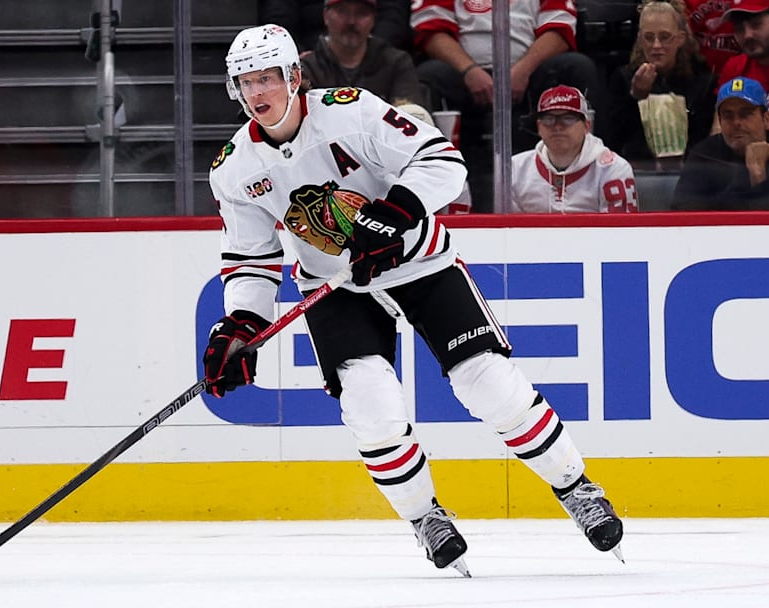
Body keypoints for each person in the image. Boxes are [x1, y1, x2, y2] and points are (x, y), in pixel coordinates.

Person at [205, 24, 624, 576]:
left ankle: (576, 488)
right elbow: (250, 259)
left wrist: (397, 214)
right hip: (338, 286)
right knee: (370, 403)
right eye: (247, 82)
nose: (258, 93)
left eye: (268, 78)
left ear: (295, 77)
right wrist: (241, 324)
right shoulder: (234, 168)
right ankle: (426, 517)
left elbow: (443, 162)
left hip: (419, 262)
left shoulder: (350, 110)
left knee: (488, 383)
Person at [411, 0, 601, 212]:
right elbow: (431, 29)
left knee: (578, 67)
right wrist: (470, 71)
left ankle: (590, 174)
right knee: (428, 76)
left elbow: (559, 27)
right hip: (464, 71)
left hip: (528, 70)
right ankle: (429, 183)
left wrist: (523, 70)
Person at [606, 0, 717, 165]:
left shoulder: (703, 82)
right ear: (640, 39)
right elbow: (613, 141)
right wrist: (635, 97)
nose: (656, 45)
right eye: (649, 38)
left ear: (680, 38)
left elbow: (703, 144)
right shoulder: (623, 78)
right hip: (638, 170)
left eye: (665, 37)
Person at [510, 86, 638, 213]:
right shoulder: (515, 168)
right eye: (549, 119)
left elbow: (620, 231)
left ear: (587, 126)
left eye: (568, 118)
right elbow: (508, 230)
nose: (558, 126)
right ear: (539, 126)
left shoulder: (613, 169)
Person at [672, 76, 769, 209]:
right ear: (720, 122)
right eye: (728, 115)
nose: (736, 122)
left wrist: (758, 175)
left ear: (766, 119)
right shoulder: (704, 156)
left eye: (745, 114)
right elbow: (684, 214)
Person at [300, 0, 425, 109]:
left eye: (361, 13)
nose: (351, 21)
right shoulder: (308, 67)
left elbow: (412, 116)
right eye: (342, 11)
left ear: (374, 18)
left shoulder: (396, 63)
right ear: (325, 16)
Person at [718, 0, 769, 137]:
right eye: (739, 28)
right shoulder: (735, 68)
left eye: (756, 25)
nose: (747, 35)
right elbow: (721, 130)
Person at [259, 0, 413, 53]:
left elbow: (393, 18)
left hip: (371, 52)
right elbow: (278, 19)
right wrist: (299, 57)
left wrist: (372, 52)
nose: (351, 20)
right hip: (308, 52)